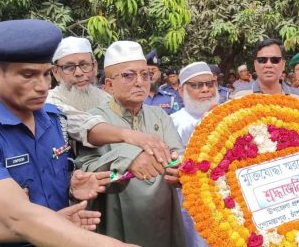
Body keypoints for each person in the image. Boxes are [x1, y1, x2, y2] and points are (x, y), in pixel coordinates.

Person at [0, 19, 135, 247]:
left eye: (46, 74)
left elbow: (50, 173)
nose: (43, 86)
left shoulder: (53, 118)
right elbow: (18, 216)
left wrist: (72, 185)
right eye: (28, 75)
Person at [75, 41, 186, 247]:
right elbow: (85, 169)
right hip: (115, 218)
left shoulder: (159, 115)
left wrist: (181, 172)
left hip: (163, 216)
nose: (140, 82)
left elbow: (177, 155)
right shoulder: (94, 120)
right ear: (108, 85)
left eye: (145, 75)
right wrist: (127, 158)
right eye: (128, 75)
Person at [171, 62, 220, 247]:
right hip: (192, 201)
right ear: (182, 90)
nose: (205, 89)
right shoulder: (174, 122)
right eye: (197, 85)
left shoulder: (229, 113)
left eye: (210, 83)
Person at [50, 36, 110, 112]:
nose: (79, 73)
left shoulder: (108, 101)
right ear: (56, 73)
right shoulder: (49, 103)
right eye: (69, 67)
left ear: (94, 67)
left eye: (84, 65)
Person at [232, 38, 299, 99]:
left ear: (283, 65)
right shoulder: (240, 96)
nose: (268, 65)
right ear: (255, 65)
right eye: (262, 60)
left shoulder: (297, 97)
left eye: (275, 60)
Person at [144, 50, 180, 114]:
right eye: (146, 71)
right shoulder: (134, 98)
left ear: (159, 74)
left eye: (153, 71)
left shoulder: (171, 99)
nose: (150, 75)